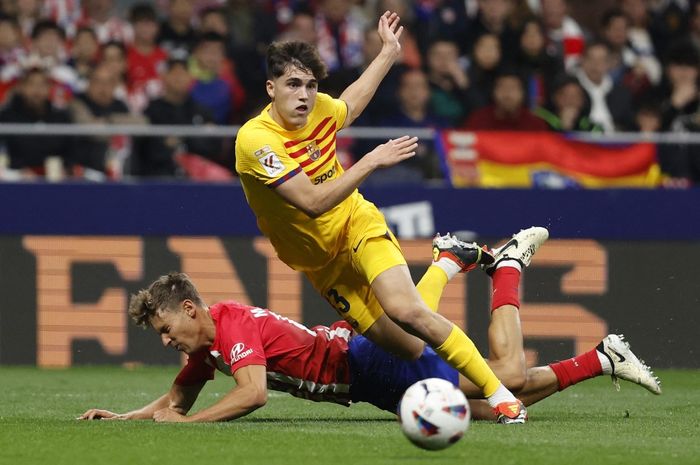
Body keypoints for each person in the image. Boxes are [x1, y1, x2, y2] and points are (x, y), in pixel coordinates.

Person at [233, 11, 527, 423]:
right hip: (324, 264)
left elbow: (350, 103)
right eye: (293, 84)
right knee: (407, 346)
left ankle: (501, 397)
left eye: (312, 85)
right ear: (271, 88)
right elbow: (312, 203)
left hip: (356, 224)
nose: (304, 95)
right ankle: (446, 262)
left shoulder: (318, 109)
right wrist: (370, 161)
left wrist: (389, 52)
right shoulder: (256, 141)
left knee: (408, 311)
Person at [77, 227, 661, 424]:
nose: (164, 340)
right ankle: (603, 356)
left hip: (365, 363)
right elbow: (174, 402)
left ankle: (504, 267)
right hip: (366, 380)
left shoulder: (230, 326)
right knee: (481, 407)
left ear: (189, 309)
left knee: (501, 377)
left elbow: (252, 394)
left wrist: (189, 427)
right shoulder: (207, 347)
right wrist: (124, 420)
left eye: (163, 328)